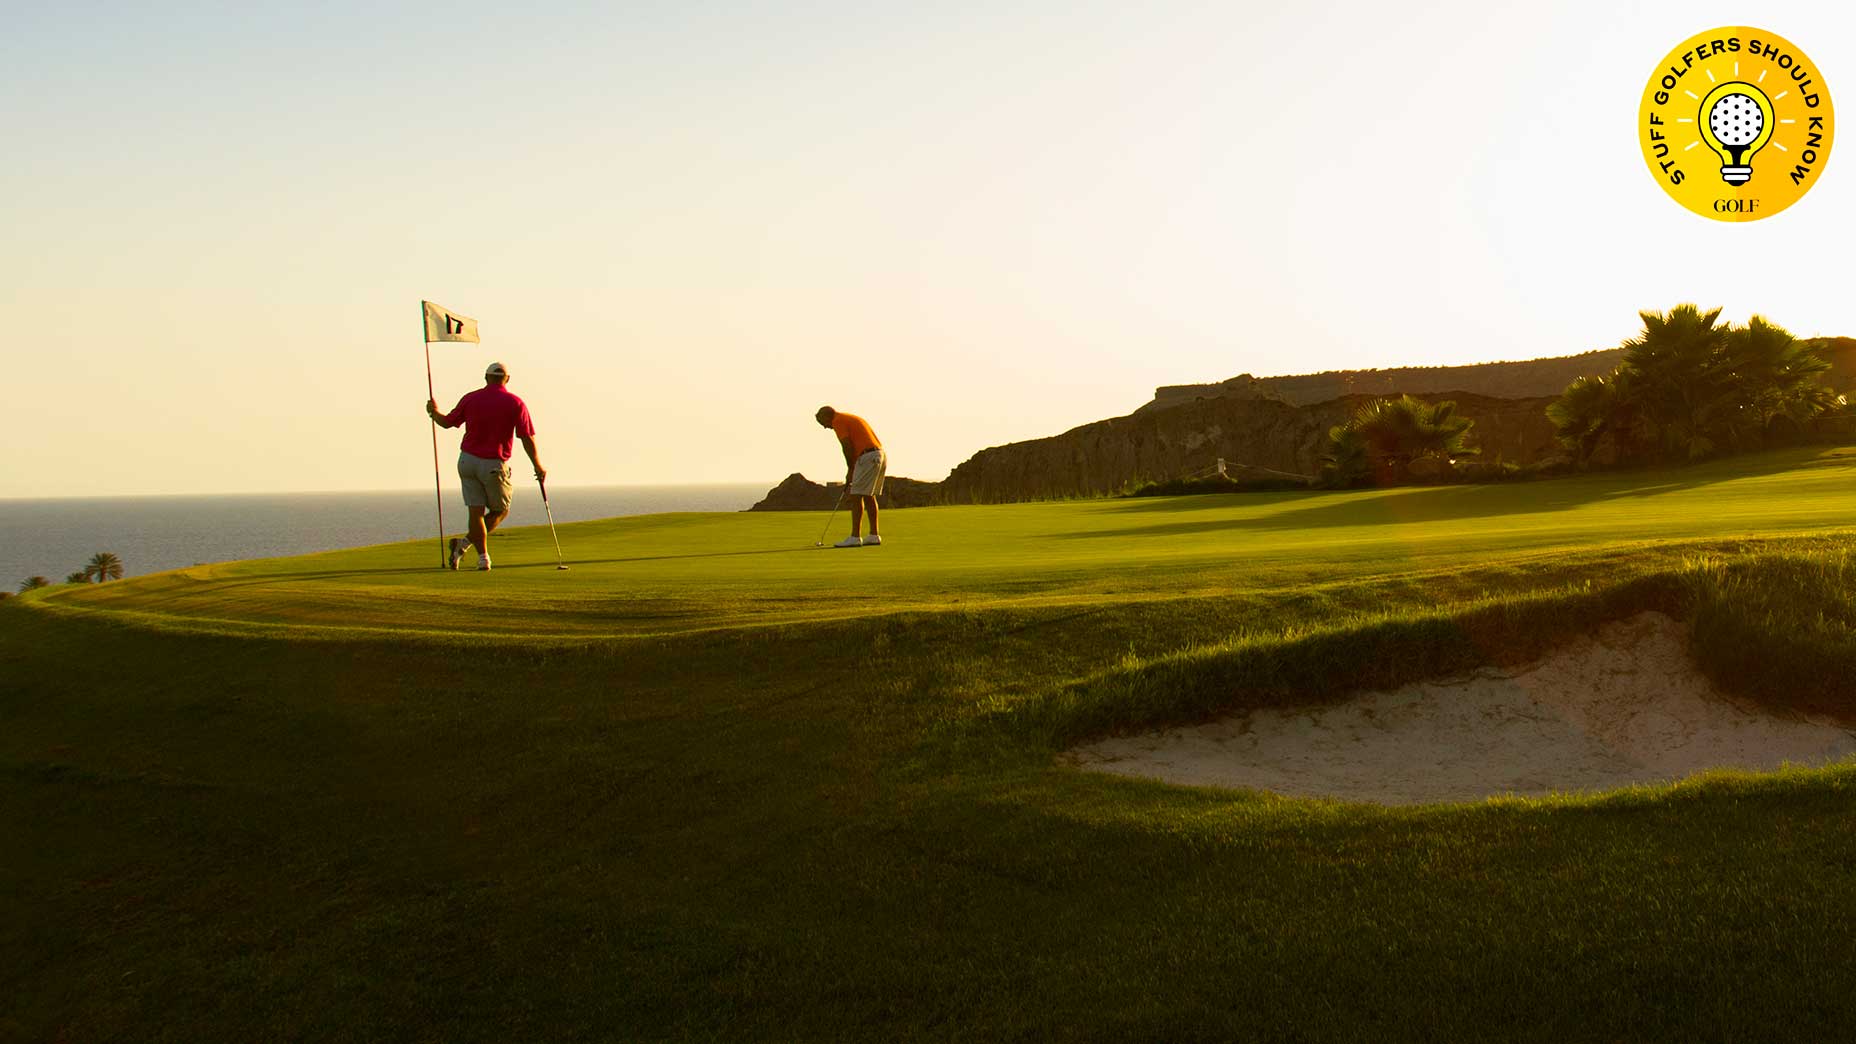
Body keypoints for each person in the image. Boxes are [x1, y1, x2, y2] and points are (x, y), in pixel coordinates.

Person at [426, 362, 546, 571]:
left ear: (486, 377)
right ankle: (468, 549)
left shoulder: (471, 398)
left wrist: (433, 412)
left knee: (475, 511)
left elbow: (446, 422)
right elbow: (526, 437)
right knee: (501, 510)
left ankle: (478, 556)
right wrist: (537, 465)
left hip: (466, 462)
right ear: (507, 379)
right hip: (493, 464)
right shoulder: (515, 402)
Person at [814, 406, 885, 547]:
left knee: (856, 495)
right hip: (879, 455)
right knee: (869, 495)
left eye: (823, 423)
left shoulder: (838, 421)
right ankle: (873, 535)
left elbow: (846, 446)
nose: (825, 427)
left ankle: (855, 537)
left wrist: (851, 468)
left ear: (828, 416)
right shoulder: (848, 418)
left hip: (867, 456)